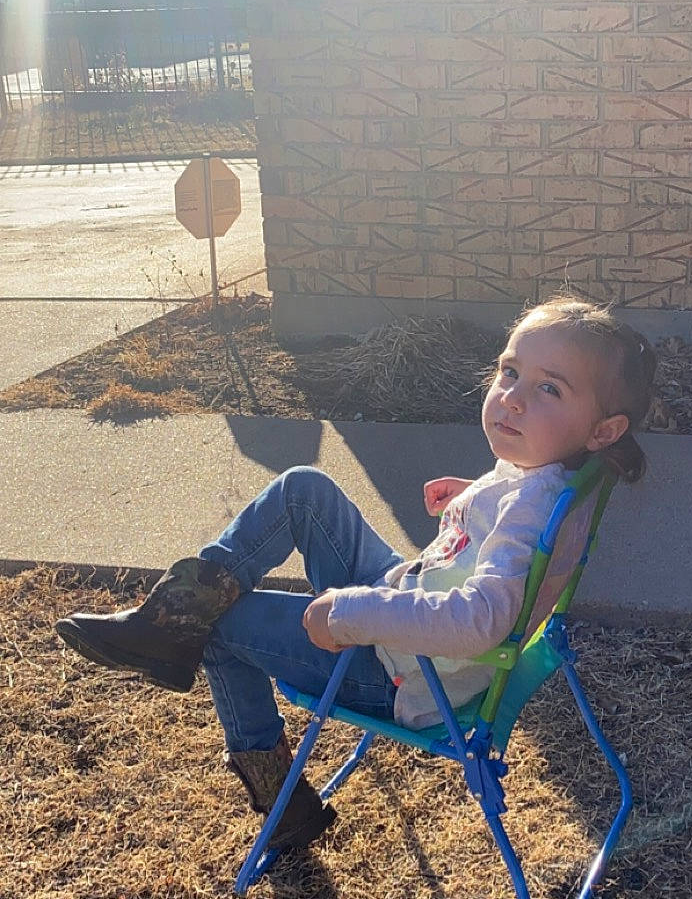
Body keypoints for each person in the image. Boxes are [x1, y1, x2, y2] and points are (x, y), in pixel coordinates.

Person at [56, 297, 656, 858]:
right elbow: (518, 522)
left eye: (548, 388)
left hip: (401, 675)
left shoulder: (527, 510)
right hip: (409, 604)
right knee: (304, 488)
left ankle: (275, 794)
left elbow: (479, 620)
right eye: (509, 372)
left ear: (604, 429)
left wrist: (350, 613)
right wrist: (475, 497)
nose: (514, 398)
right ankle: (168, 620)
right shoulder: (556, 477)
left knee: (220, 624)